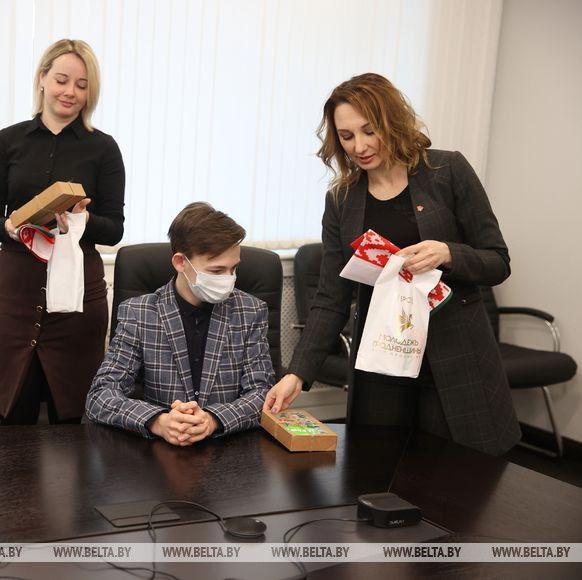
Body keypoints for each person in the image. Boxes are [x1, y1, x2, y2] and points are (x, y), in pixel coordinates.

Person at [265, 73, 520, 456]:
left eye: (370, 131)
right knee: (375, 469)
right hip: (382, 359)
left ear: (393, 122)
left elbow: (497, 261)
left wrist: (448, 253)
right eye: (347, 136)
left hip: (453, 355)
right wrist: (296, 373)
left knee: (456, 475)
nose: (360, 146)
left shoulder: (447, 171)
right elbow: (331, 298)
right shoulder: (342, 200)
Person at [0, 39, 125, 425]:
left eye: (82, 85)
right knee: (15, 417)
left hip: (77, 299)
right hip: (16, 293)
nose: (70, 92)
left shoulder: (104, 148)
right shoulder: (7, 141)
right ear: (42, 78)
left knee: (73, 420)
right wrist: (8, 226)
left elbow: (114, 229)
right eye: (61, 80)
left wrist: (83, 220)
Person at [86, 202, 273, 445]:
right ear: (180, 262)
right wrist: (158, 421)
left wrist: (212, 420)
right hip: (158, 451)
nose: (229, 280)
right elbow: (100, 396)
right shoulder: (139, 313)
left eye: (234, 269)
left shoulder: (250, 311)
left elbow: (262, 394)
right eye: (217, 271)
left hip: (227, 448)